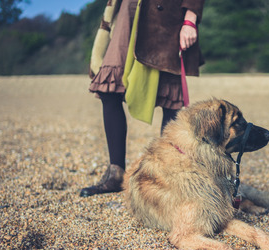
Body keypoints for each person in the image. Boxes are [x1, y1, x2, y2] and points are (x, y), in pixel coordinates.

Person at [80, 0, 205, 197]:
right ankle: (116, 172)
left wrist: (190, 20)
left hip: (165, 16)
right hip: (127, 14)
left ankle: (167, 173)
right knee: (108, 89)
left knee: (170, 99)